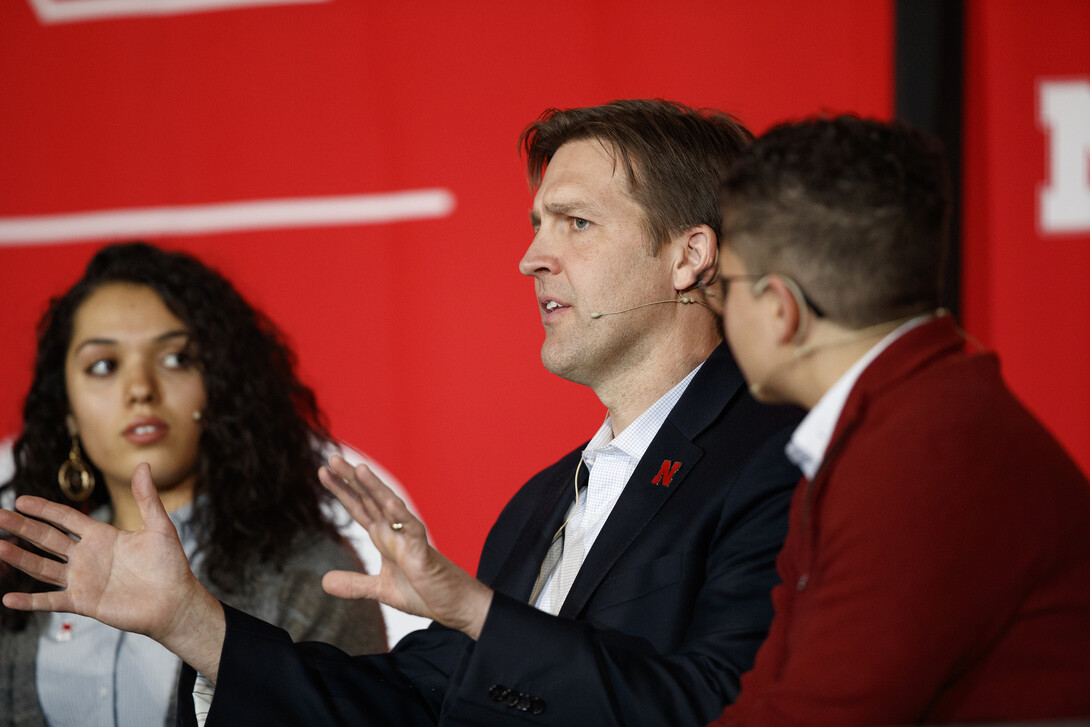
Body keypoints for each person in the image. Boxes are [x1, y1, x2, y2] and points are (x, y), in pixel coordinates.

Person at [0, 100, 802, 727]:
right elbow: (415, 705)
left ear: (689, 254)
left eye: (577, 223)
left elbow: (723, 703)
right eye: (536, 224)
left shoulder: (780, 459)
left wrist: (478, 612)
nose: (531, 256)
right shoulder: (539, 506)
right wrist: (194, 622)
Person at [702, 116, 1090, 724]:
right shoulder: (905, 420)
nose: (719, 308)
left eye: (725, 285)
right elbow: (771, 700)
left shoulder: (919, 454)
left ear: (781, 309)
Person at [0, 242, 387, 727]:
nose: (140, 388)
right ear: (69, 413)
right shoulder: (18, 569)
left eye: (176, 359)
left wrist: (197, 625)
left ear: (220, 388)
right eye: (103, 365)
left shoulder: (311, 576)